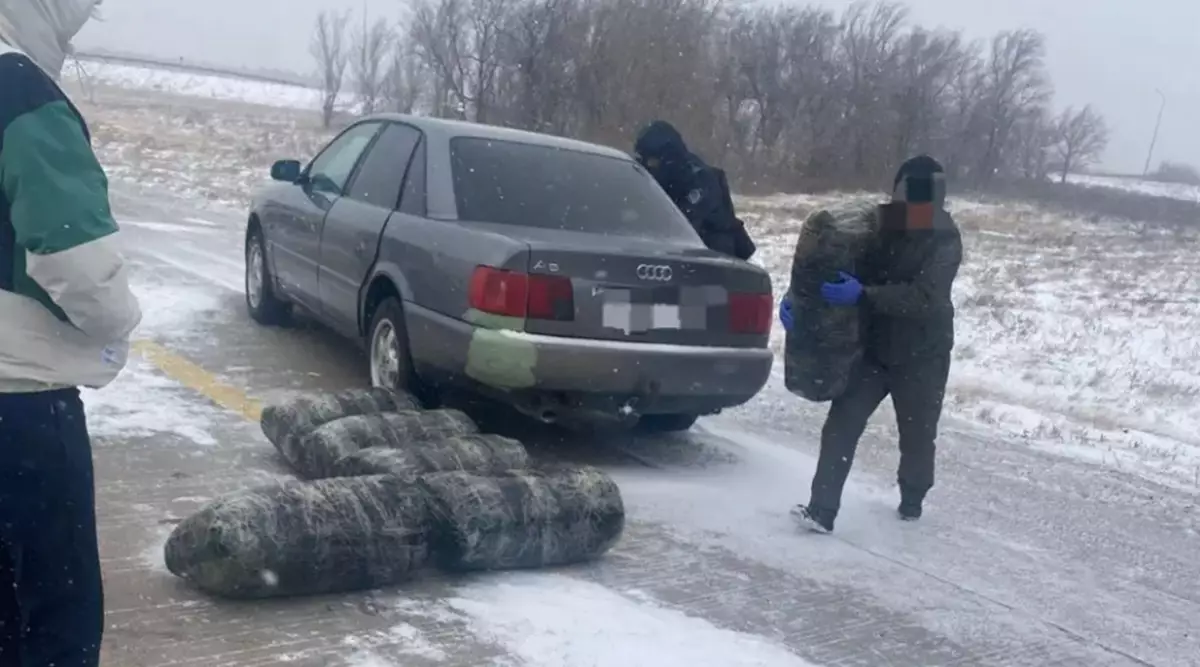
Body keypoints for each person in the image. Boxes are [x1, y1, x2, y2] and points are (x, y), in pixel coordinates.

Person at [1, 2, 142, 664]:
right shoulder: (22, 95)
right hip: (21, 410)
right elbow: (82, 272)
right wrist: (120, 324)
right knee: (52, 627)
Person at [779, 155, 962, 534]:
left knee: (916, 433)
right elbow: (828, 261)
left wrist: (864, 295)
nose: (911, 204)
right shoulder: (874, 224)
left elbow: (926, 297)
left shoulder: (945, 236)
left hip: (923, 355)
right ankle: (821, 510)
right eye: (905, 193)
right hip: (874, 350)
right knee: (841, 426)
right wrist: (797, 300)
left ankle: (912, 500)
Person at [634, 120, 757, 260]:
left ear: (668, 158)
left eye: (651, 162)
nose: (646, 168)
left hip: (711, 260)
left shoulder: (700, 182)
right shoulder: (654, 177)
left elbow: (683, 228)